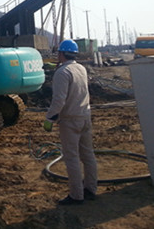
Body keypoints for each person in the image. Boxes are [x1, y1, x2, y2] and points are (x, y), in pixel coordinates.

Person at [44, 39, 98, 205]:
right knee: (88, 155)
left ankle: (76, 195)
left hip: (70, 120)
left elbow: (59, 100)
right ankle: (90, 189)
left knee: (72, 157)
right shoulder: (81, 68)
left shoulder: (62, 72)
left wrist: (50, 118)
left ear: (61, 54)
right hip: (85, 116)